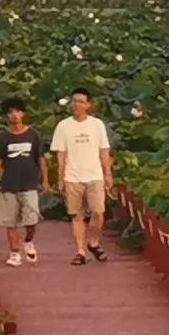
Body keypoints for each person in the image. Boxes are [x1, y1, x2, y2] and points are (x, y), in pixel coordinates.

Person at [49, 91, 115, 262]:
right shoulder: (63, 126)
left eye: (80, 101)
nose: (76, 105)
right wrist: (61, 178)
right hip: (72, 176)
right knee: (76, 215)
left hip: (95, 175)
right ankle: (80, 251)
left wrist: (108, 173)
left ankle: (93, 242)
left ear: (88, 105)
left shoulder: (97, 125)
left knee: (98, 212)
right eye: (73, 101)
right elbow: (61, 155)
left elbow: (104, 150)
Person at [0, 102, 42, 265]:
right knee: (10, 222)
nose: (14, 115)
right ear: (6, 116)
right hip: (9, 184)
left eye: (18, 111)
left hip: (29, 183)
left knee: (31, 220)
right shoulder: (2, 138)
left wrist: (46, 180)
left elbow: (40, 159)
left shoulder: (33, 135)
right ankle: (14, 253)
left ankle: (28, 241)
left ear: (23, 114)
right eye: (11, 112)